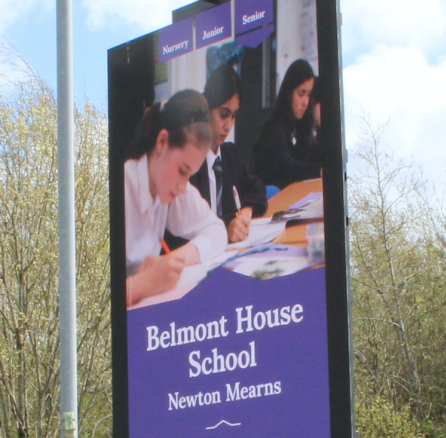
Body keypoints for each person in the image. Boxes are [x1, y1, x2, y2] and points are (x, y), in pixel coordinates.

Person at [122, 89, 226, 307]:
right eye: (182, 170)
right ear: (162, 142)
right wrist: (145, 283)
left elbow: (217, 232)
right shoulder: (122, 187)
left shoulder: (169, 186)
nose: (183, 187)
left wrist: (173, 261)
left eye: (190, 174)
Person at [191, 63, 268, 244]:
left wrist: (247, 210)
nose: (229, 125)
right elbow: (193, 225)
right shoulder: (191, 163)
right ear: (206, 109)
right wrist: (226, 227)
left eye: (233, 116)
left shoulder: (229, 153)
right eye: (223, 114)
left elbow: (256, 187)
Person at [251, 58, 321, 189]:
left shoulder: (300, 124)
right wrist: (320, 171)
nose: (305, 102)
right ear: (289, 93)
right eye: (301, 94)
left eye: (309, 95)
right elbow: (287, 168)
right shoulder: (274, 126)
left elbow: (312, 149)